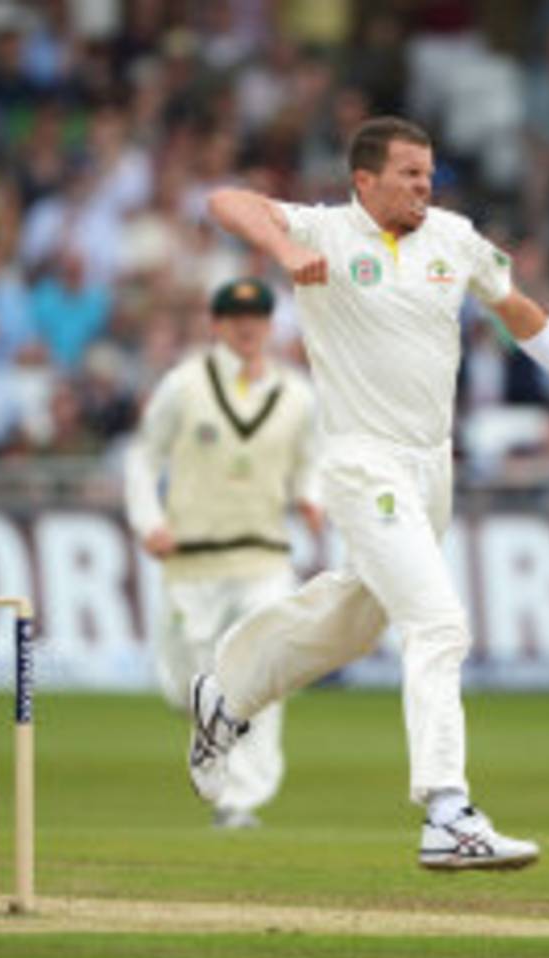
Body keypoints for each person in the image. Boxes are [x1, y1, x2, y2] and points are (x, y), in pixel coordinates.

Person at [189, 116, 549, 870]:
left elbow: (518, 307)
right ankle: (447, 812)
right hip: (364, 462)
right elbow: (228, 200)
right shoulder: (325, 229)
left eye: (429, 173)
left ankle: (224, 699)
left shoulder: (453, 237)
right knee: (438, 624)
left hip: (431, 468)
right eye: (410, 174)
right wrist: (287, 251)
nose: (426, 186)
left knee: (356, 624)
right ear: (366, 180)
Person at [125, 277, 323, 829]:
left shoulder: (297, 395)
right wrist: (149, 520)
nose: (247, 327)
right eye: (236, 317)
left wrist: (310, 497)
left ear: (270, 324)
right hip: (192, 561)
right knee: (186, 684)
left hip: (263, 557)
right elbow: (143, 458)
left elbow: (312, 459)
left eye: (257, 316)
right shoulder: (183, 386)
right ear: (216, 325)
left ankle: (241, 800)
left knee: (260, 678)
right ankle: (216, 750)